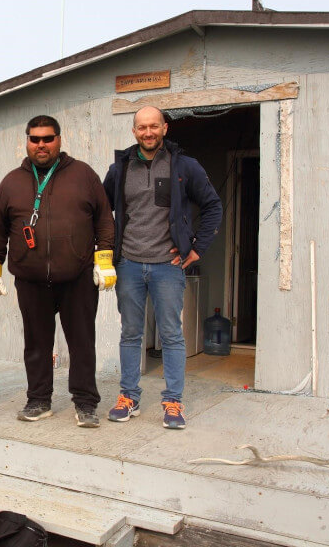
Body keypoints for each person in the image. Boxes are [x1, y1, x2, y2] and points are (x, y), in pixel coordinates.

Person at [0, 115, 115, 427]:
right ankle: (39, 400)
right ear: (27, 141)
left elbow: (105, 221)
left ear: (59, 140)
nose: (41, 144)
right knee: (36, 343)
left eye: (48, 138)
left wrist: (105, 259)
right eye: (35, 139)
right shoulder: (11, 182)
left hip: (78, 277)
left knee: (82, 342)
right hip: (30, 280)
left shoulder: (84, 175)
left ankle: (85, 403)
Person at [103, 106, 222, 429]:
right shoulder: (121, 168)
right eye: (142, 127)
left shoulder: (184, 166)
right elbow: (102, 212)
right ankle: (129, 397)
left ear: (165, 128)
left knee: (171, 334)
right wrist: (104, 254)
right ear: (134, 131)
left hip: (168, 267)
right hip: (128, 263)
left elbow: (213, 206)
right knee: (131, 333)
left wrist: (197, 249)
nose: (148, 132)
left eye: (154, 126)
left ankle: (173, 402)